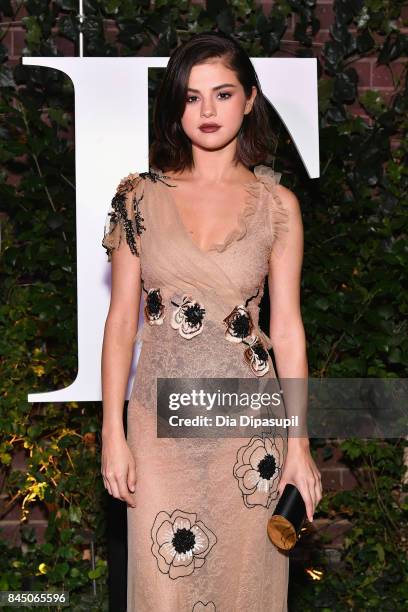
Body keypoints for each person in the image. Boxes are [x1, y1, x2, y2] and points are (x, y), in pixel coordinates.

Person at [100, 31, 322, 612]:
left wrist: (299, 445)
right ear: (176, 106)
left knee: (247, 585)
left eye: (222, 94)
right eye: (192, 96)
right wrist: (112, 432)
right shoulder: (137, 199)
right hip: (158, 434)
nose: (206, 111)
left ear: (249, 99)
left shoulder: (278, 207)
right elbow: (121, 321)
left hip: (250, 433)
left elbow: (290, 330)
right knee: (161, 585)